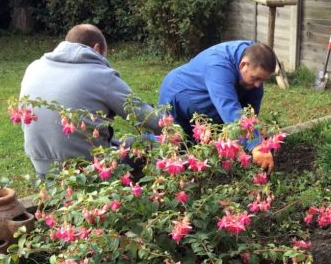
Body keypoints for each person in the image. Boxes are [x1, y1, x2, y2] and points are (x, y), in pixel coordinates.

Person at [19, 24, 160, 178]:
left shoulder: (33, 68)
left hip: (43, 169)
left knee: (118, 143)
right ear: (97, 49)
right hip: (88, 171)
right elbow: (149, 119)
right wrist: (175, 130)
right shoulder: (101, 75)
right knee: (148, 142)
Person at [158, 40, 276, 170]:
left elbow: (251, 107)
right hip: (178, 96)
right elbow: (228, 106)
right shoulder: (219, 67)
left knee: (210, 148)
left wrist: (255, 131)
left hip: (205, 99)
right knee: (179, 148)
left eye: (263, 80)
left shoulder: (255, 56)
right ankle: (143, 144)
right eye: (256, 78)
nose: (259, 84)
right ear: (243, 65)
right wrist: (255, 144)